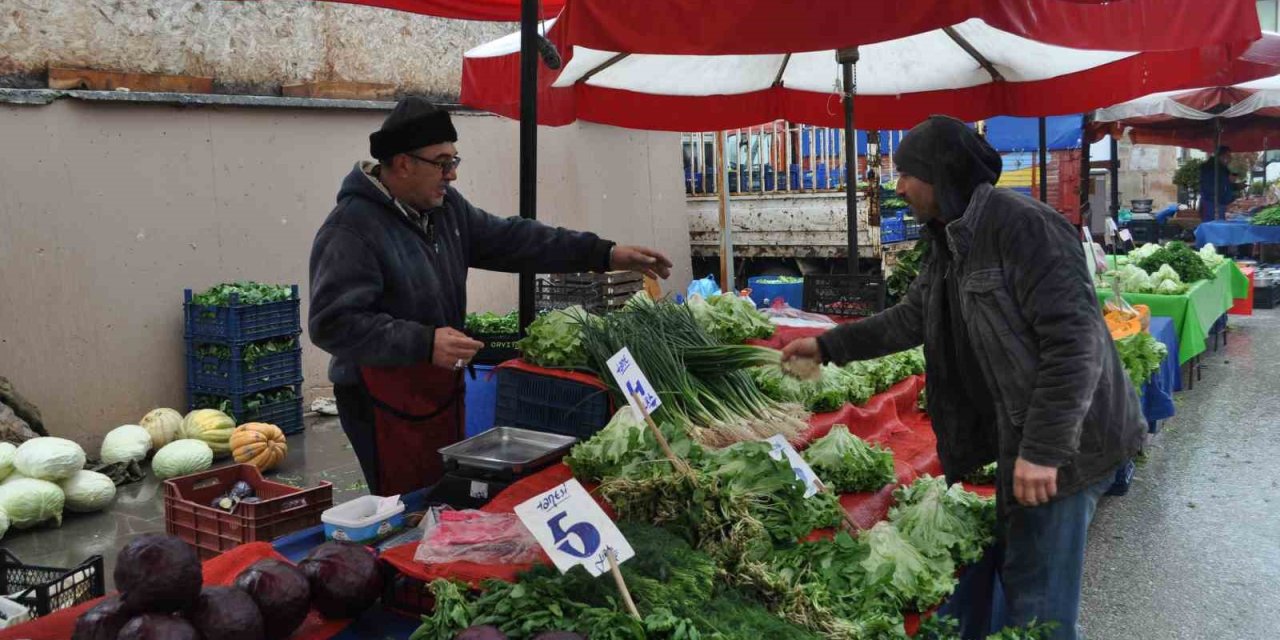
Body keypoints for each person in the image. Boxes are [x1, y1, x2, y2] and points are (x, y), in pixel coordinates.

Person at [782, 116, 1145, 640]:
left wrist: (1044, 450)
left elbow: (1075, 345)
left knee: (1039, 609)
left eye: (907, 174)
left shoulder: (1025, 227)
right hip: (1020, 431)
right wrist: (826, 345)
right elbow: (913, 317)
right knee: (1022, 575)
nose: (898, 186)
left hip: (1071, 443)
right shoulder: (949, 238)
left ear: (943, 174)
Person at [309, 97, 672, 496]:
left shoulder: (446, 211)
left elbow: (515, 239)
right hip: (381, 400)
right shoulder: (352, 228)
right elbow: (333, 323)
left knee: (442, 495)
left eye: (455, 162)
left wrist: (603, 253)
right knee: (405, 505)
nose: (452, 176)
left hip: (436, 389)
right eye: (442, 163)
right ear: (403, 163)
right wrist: (424, 341)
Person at [1199, 145, 1239, 222]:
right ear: (1222, 156)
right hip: (1212, 204)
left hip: (1218, 204)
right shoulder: (1211, 168)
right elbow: (1213, 186)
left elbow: (1223, 185)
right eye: (1228, 156)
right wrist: (1228, 181)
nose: (1230, 159)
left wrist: (1236, 186)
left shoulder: (1221, 168)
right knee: (1213, 227)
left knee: (1216, 225)